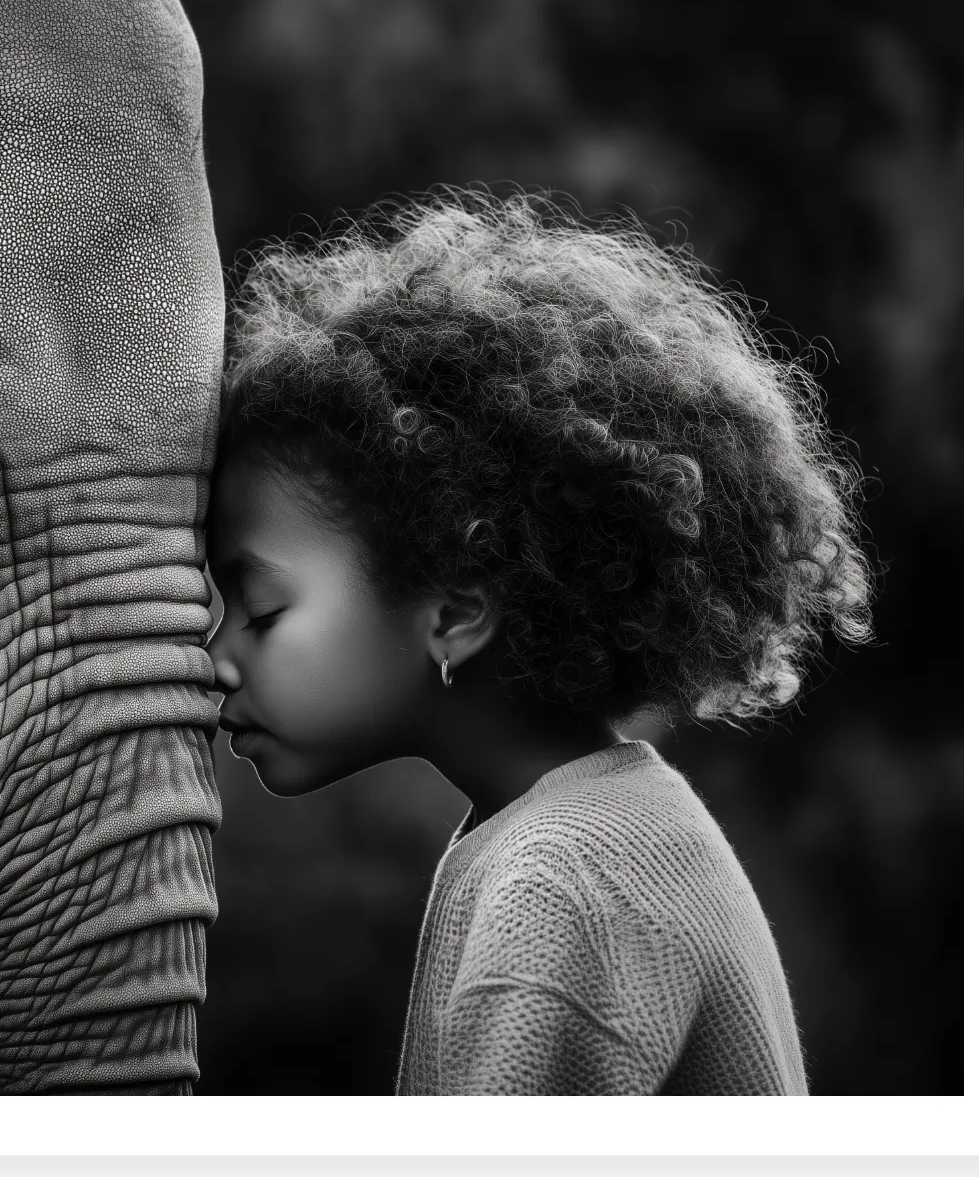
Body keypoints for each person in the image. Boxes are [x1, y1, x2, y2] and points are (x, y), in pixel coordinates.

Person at [206, 189, 873, 1095]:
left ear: (454, 615)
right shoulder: (592, 830)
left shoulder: (558, 883)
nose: (216, 657)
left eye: (260, 609)